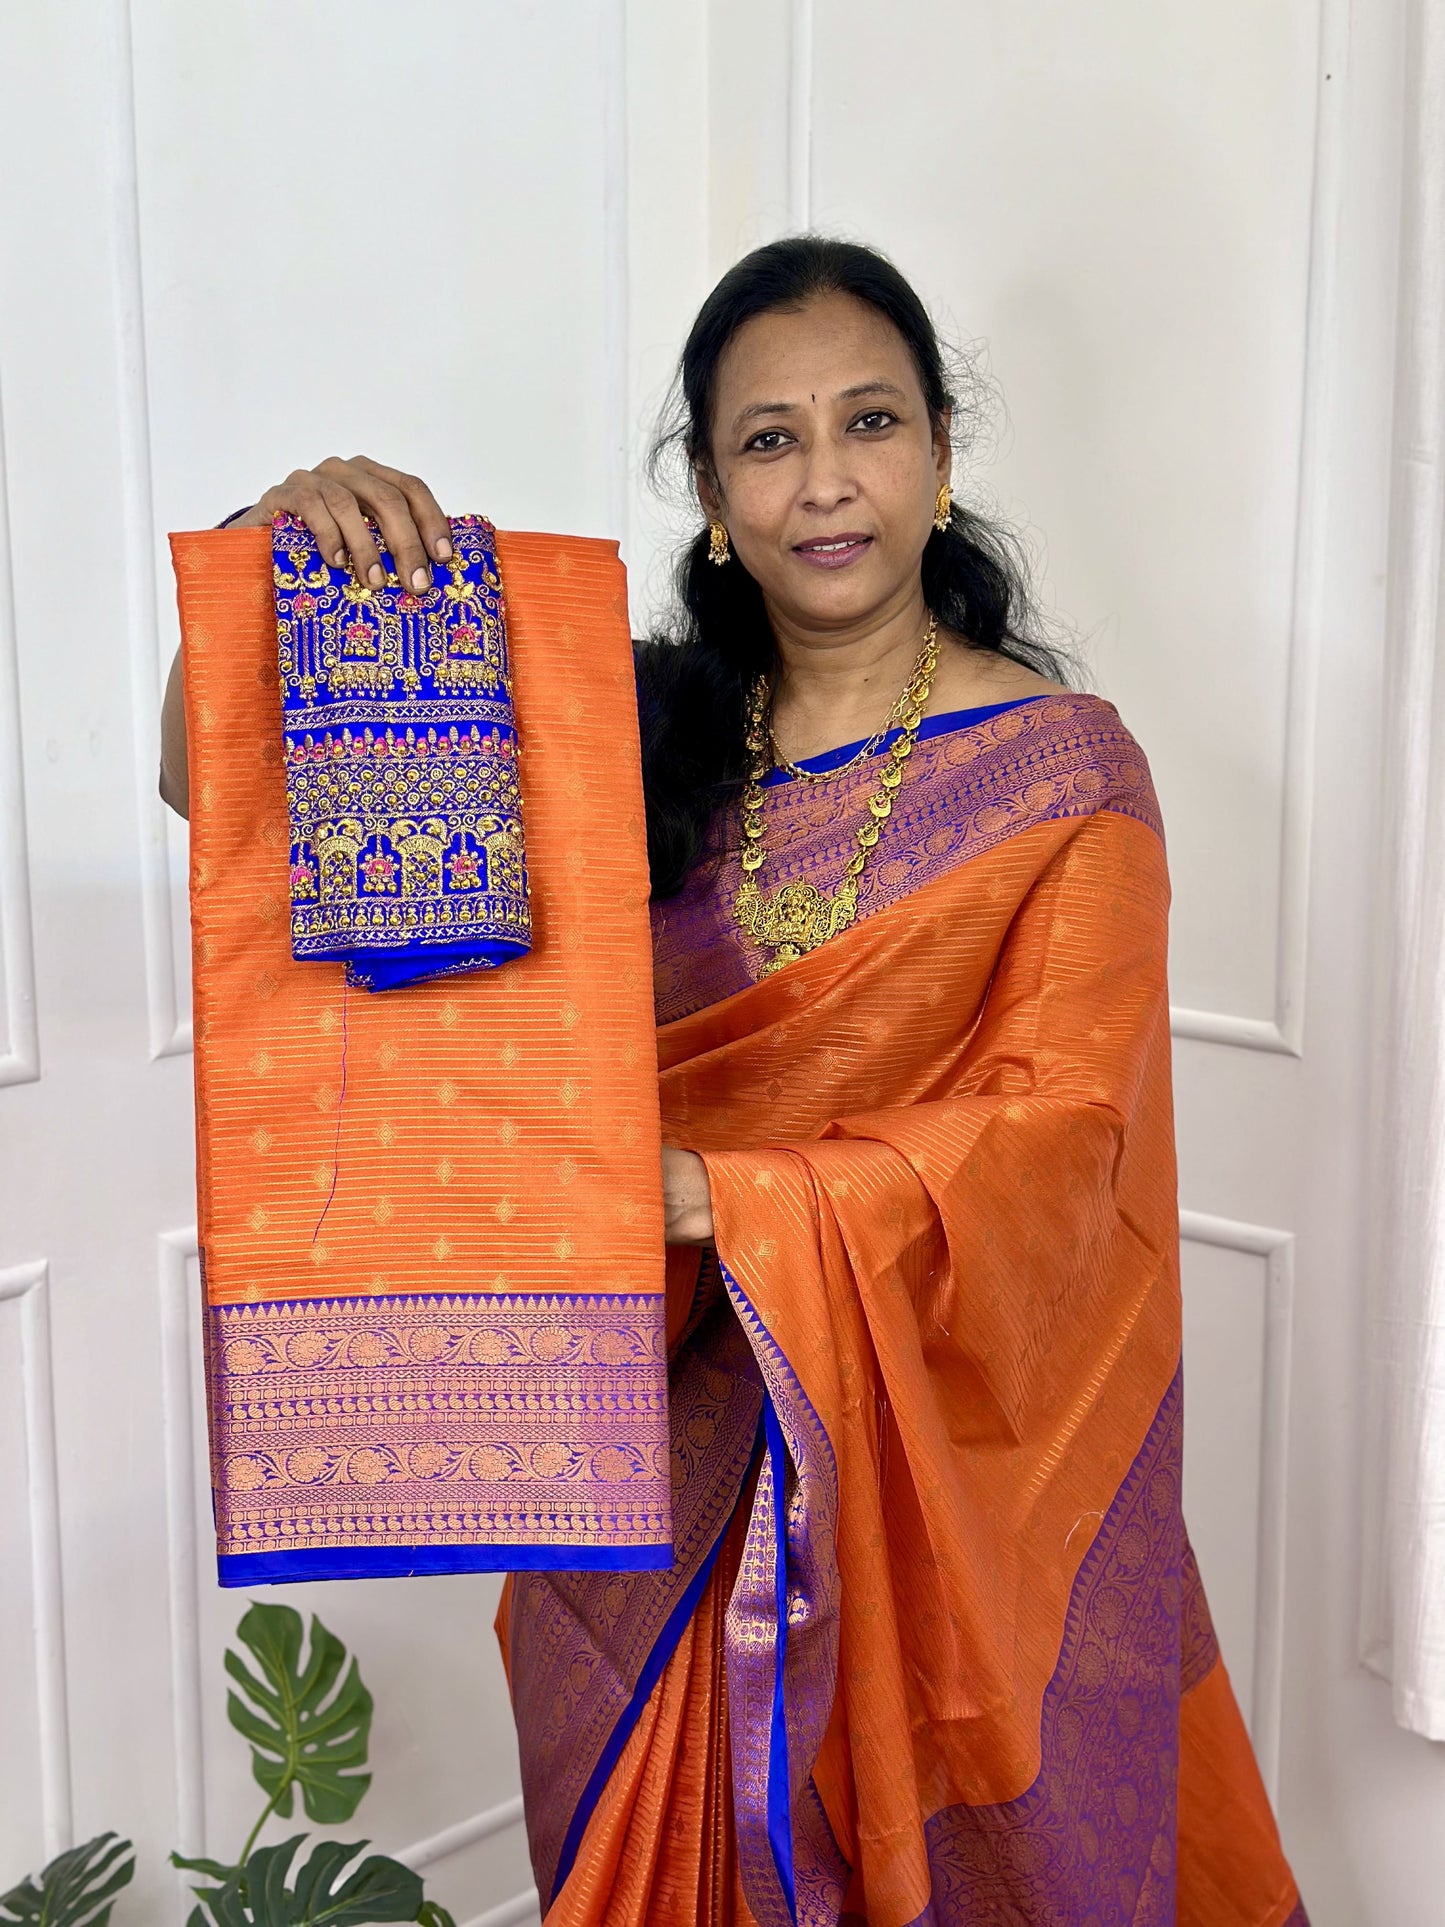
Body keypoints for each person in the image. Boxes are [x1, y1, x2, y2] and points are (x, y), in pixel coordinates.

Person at [160, 237, 1308, 1926]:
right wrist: (277, 546)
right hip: (633, 1448)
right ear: (707, 486)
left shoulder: (1065, 776)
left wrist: (739, 1198)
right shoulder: (612, 734)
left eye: (871, 423)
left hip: (936, 1476)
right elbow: (222, 790)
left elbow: (1065, 1133)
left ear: (938, 458)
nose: (824, 483)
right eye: (768, 440)